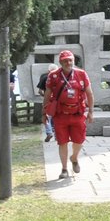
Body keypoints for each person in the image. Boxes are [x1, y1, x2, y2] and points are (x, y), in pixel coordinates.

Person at [43, 50, 94, 180]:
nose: (68, 62)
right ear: (60, 62)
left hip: (78, 113)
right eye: (65, 60)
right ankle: (64, 168)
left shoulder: (81, 74)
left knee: (79, 140)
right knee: (62, 142)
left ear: (73, 61)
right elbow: (47, 95)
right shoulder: (54, 76)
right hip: (60, 115)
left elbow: (89, 93)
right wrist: (44, 113)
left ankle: (74, 157)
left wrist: (91, 112)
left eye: (70, 60)